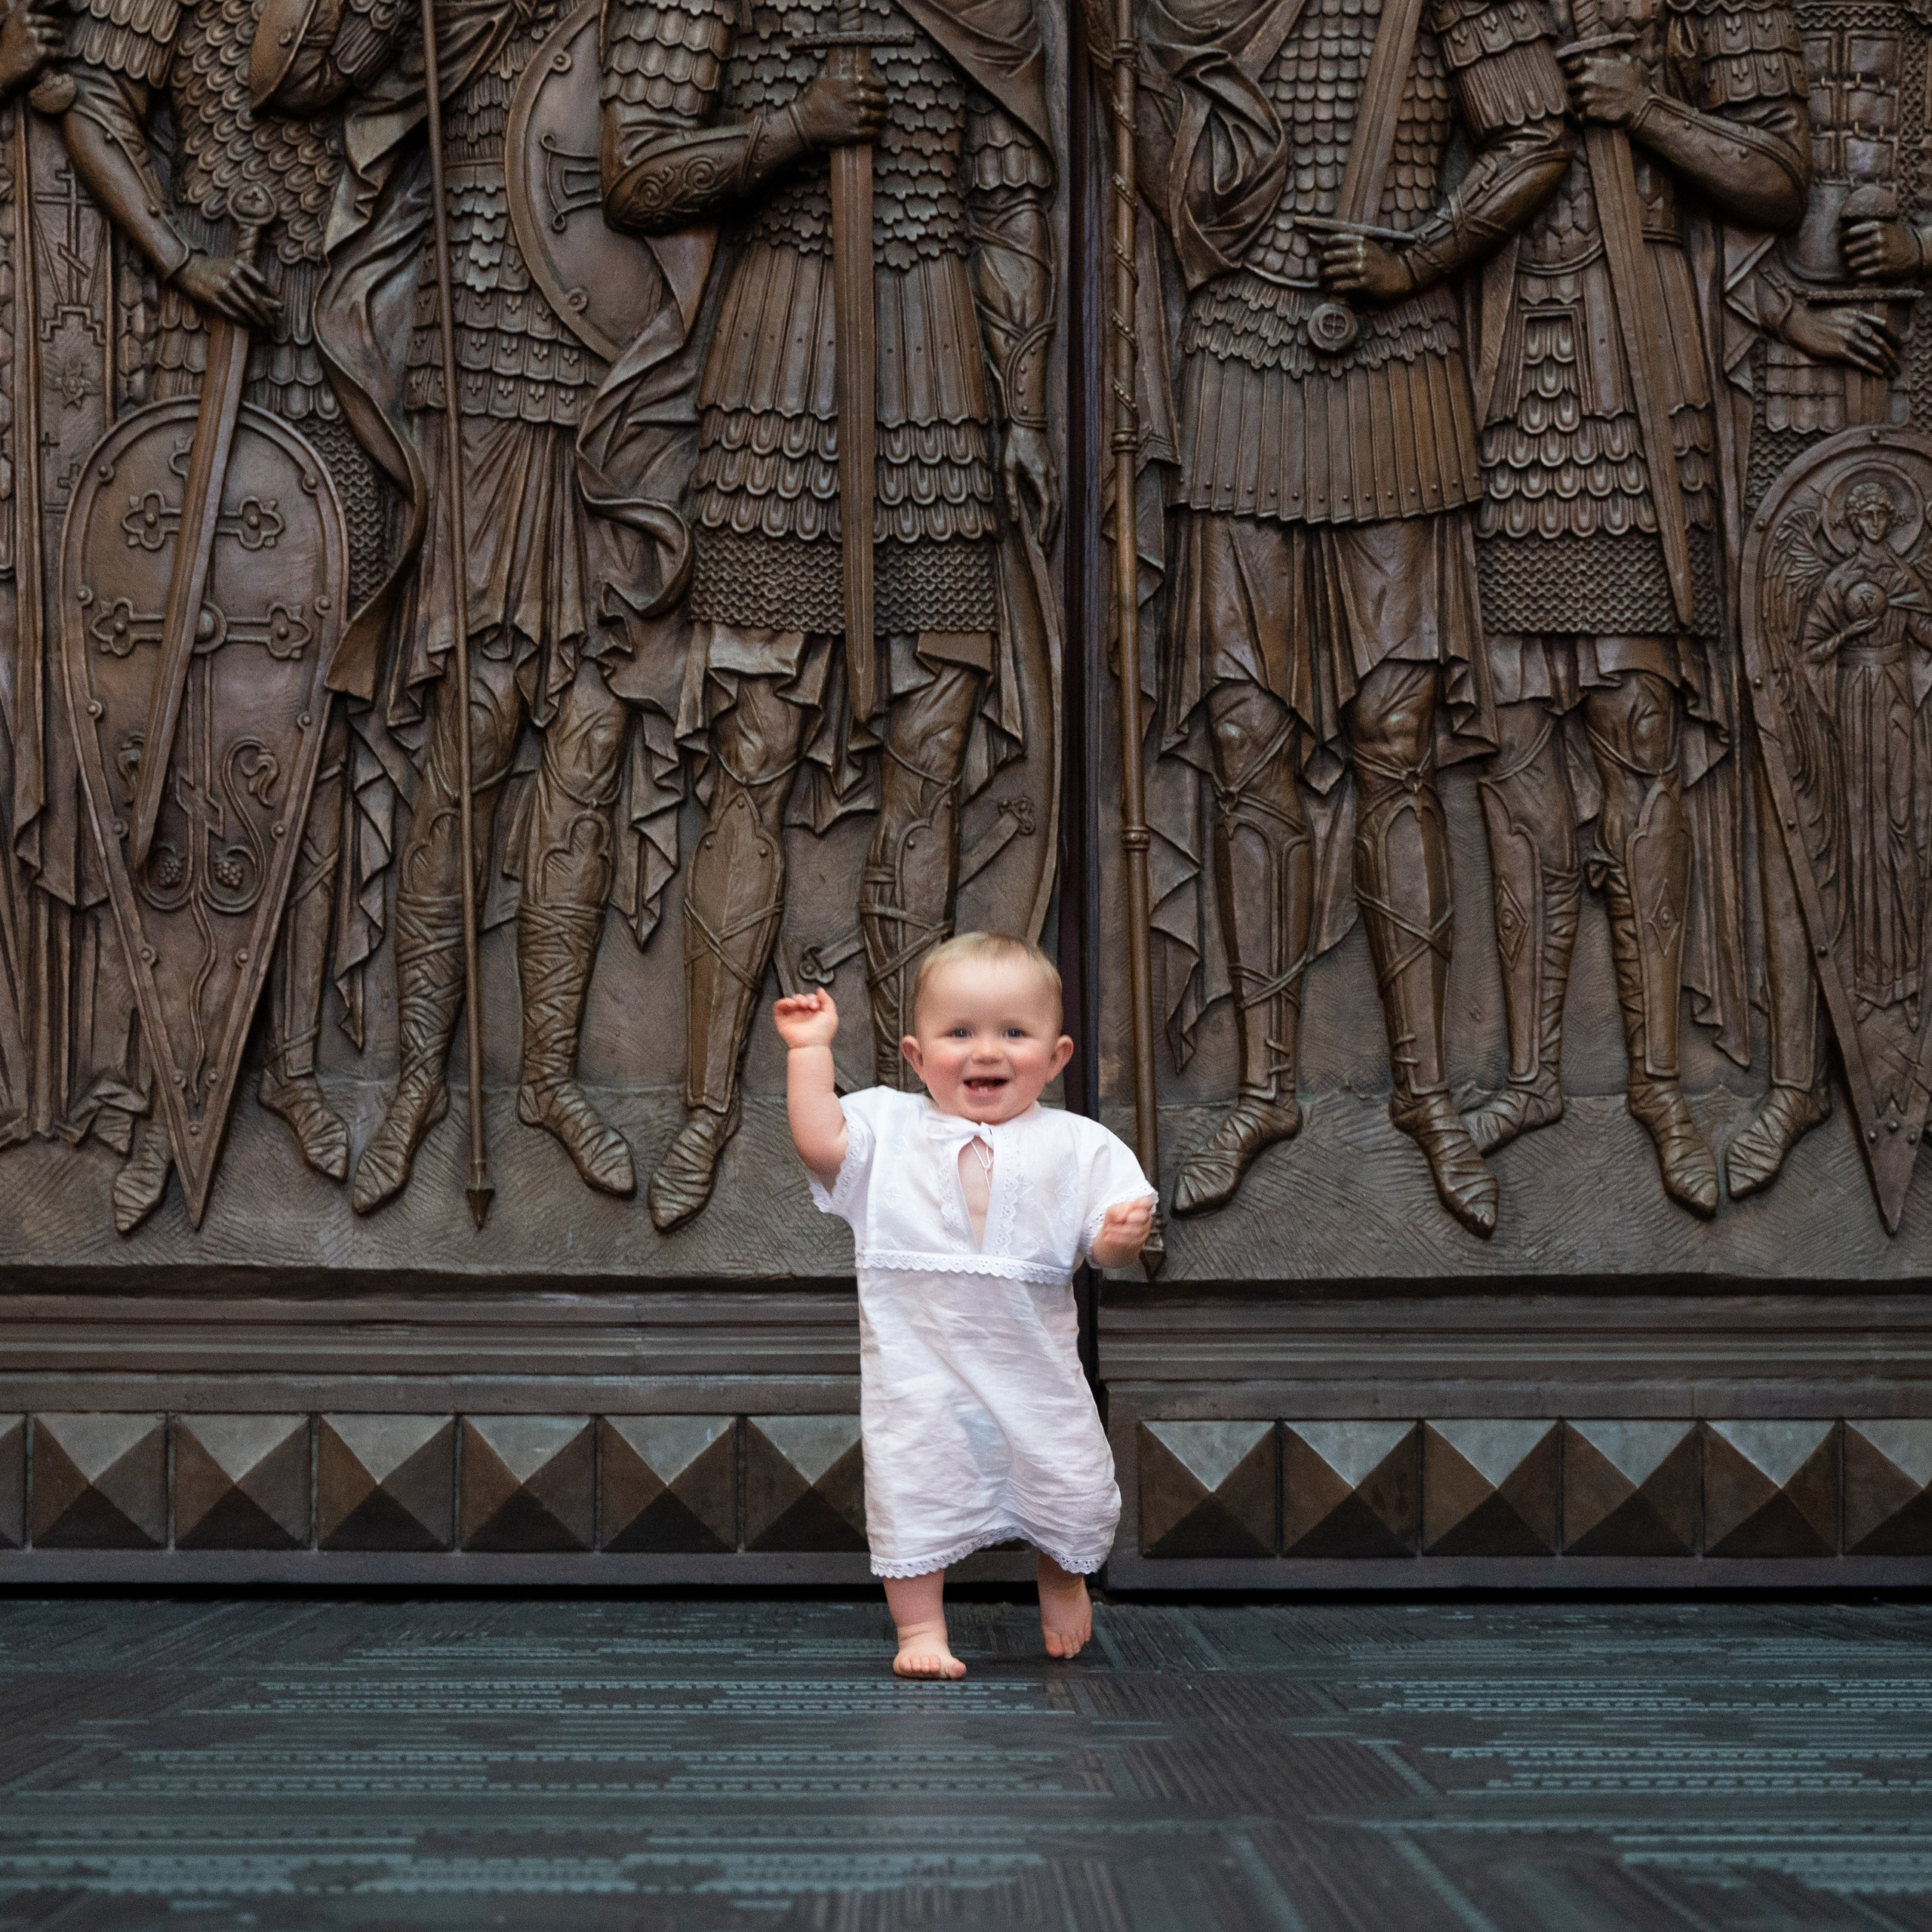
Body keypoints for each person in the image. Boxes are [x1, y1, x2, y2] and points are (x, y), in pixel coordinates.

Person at [774, 933, 1154, 1679]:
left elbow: (1107, 1253)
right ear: (916, 1057)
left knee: (1066, 1475)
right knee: (914, 1479)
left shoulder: (1080, 1145)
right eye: (960, 1033)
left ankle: (1063, 1573)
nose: (987, 1051)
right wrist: (809, 1048)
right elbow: (820, 1143)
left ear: (1057, 1055)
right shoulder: (888, 1126)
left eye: (1014, 1032)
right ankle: (919, 1628)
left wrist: (1119, 1237)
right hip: (921, 1372)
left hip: (1032, 1367)